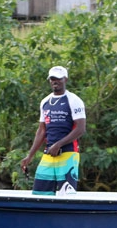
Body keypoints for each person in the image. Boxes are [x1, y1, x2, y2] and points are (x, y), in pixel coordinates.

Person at [20, 66, 87, 195]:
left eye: (58, 79)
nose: (54, 81)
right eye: (52, 79)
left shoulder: (74, 100)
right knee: (39, 193)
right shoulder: (45, 102)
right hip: (49, 153)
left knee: (66, 195)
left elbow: (80, 129)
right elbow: (41, 131)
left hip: (68, 154)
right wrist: (30, 155)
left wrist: (59, 144)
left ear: (65, 79)